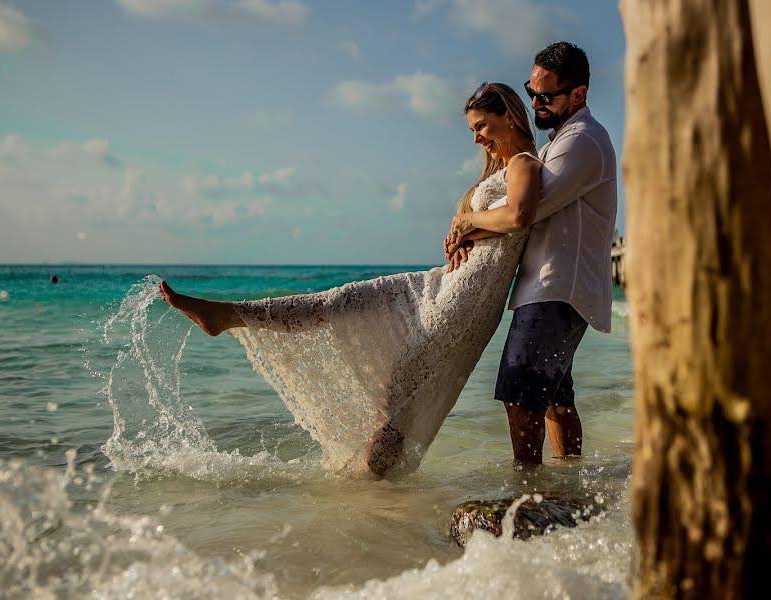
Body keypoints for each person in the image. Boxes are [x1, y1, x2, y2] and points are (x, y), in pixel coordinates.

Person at [159, 83, 542, 479]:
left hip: (462, 300)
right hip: (440, 283)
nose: (477, 138)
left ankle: (369, 490)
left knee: (399, 399)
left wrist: (468, 222)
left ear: (508, 117)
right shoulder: (499, 170)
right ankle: (230, 315)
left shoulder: (524, 164)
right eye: (472, 130)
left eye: (481, 126)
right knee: (341, 303)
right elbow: (492, 223)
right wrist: (459, 234)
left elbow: (518, 217)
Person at [447, 42, 618, 465]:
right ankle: (567, 489)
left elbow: (523, 213)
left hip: (555, 286)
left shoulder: (582, 141)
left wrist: (469, 224)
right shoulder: (560, 142)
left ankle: (528, 495)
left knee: (520, 394)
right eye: (532, 92)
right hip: (551, 286)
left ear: (577, 94)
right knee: (555, 401)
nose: (536, 103)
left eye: (547, 95)